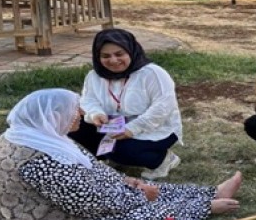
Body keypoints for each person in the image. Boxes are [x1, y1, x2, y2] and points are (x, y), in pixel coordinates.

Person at [0, 88, 242, 220]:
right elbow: (87, 204)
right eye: (74, 111)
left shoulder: (37, 136)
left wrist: (128, 182)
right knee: (143, 211)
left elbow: (92, 169)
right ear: (53, 116)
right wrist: (139, 194)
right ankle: (206, 206)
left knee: (145, 188)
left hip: (69, 204)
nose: (79, 114)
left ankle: (211, 192)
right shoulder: (36, 158)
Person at [68, 28, 183, 180]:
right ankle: (106, 156)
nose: (113, 60)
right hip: (113, 124)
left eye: (119, 54)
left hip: (154, 127)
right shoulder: (94, 75)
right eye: (105, 56)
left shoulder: (152, 73)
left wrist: (132, 129)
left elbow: (162, 108)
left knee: (121, 152)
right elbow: (88, 100)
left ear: (131, 50)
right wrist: (96, 113)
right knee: (71, 123)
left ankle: (163, 159)